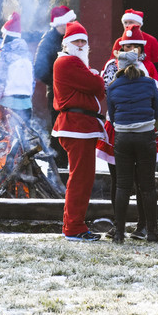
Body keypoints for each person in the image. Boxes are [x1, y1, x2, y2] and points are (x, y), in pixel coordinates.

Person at [52, 21, 105, 242]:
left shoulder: (74, 62)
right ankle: (74, 227)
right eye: (76, 41)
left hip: (80, 125)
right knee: (80, 179)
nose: (81, 44)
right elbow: (97, 87)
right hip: (77, 126)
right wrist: (96, 77)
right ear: (67, 44)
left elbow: (95, 86)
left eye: (84, 41)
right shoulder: (68, 62)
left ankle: (73, 225)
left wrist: (94, 77)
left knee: (81, 178)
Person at [107, 51, 158, 244]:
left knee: (122, 185)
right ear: (138, 64)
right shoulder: (149, 83)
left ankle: (119, 234)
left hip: (122, 137)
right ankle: (153, 233)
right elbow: (157, 109)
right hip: (145, 136)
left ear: (119, 66)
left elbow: (112, 115)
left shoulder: (113, 86)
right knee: (147, 186)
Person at [33, 5, 76, 168]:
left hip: (72, 93)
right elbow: (39, 70)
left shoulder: (70, 39)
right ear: (60, 23)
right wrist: (60, 81)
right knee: (59, 130)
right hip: (57, 94)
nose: (73, 24)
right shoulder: (48, 41)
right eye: (70, 21)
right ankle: (58, 164)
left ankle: (66, 162)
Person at [0, 12, 34, 122]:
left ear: (7, 35)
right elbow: (33, 82)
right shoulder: (28, 55)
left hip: (8, 105)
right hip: (27, 104)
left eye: (3, 35)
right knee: (23, 136)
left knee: (7, 137)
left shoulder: (5, 55)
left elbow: (0, 82)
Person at [110, 9, 158, 74]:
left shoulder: (151, 40)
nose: (127, 25)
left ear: (139, 24)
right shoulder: (119, 41)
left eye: (131, 22)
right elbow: (113, 63)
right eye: (125, 22)